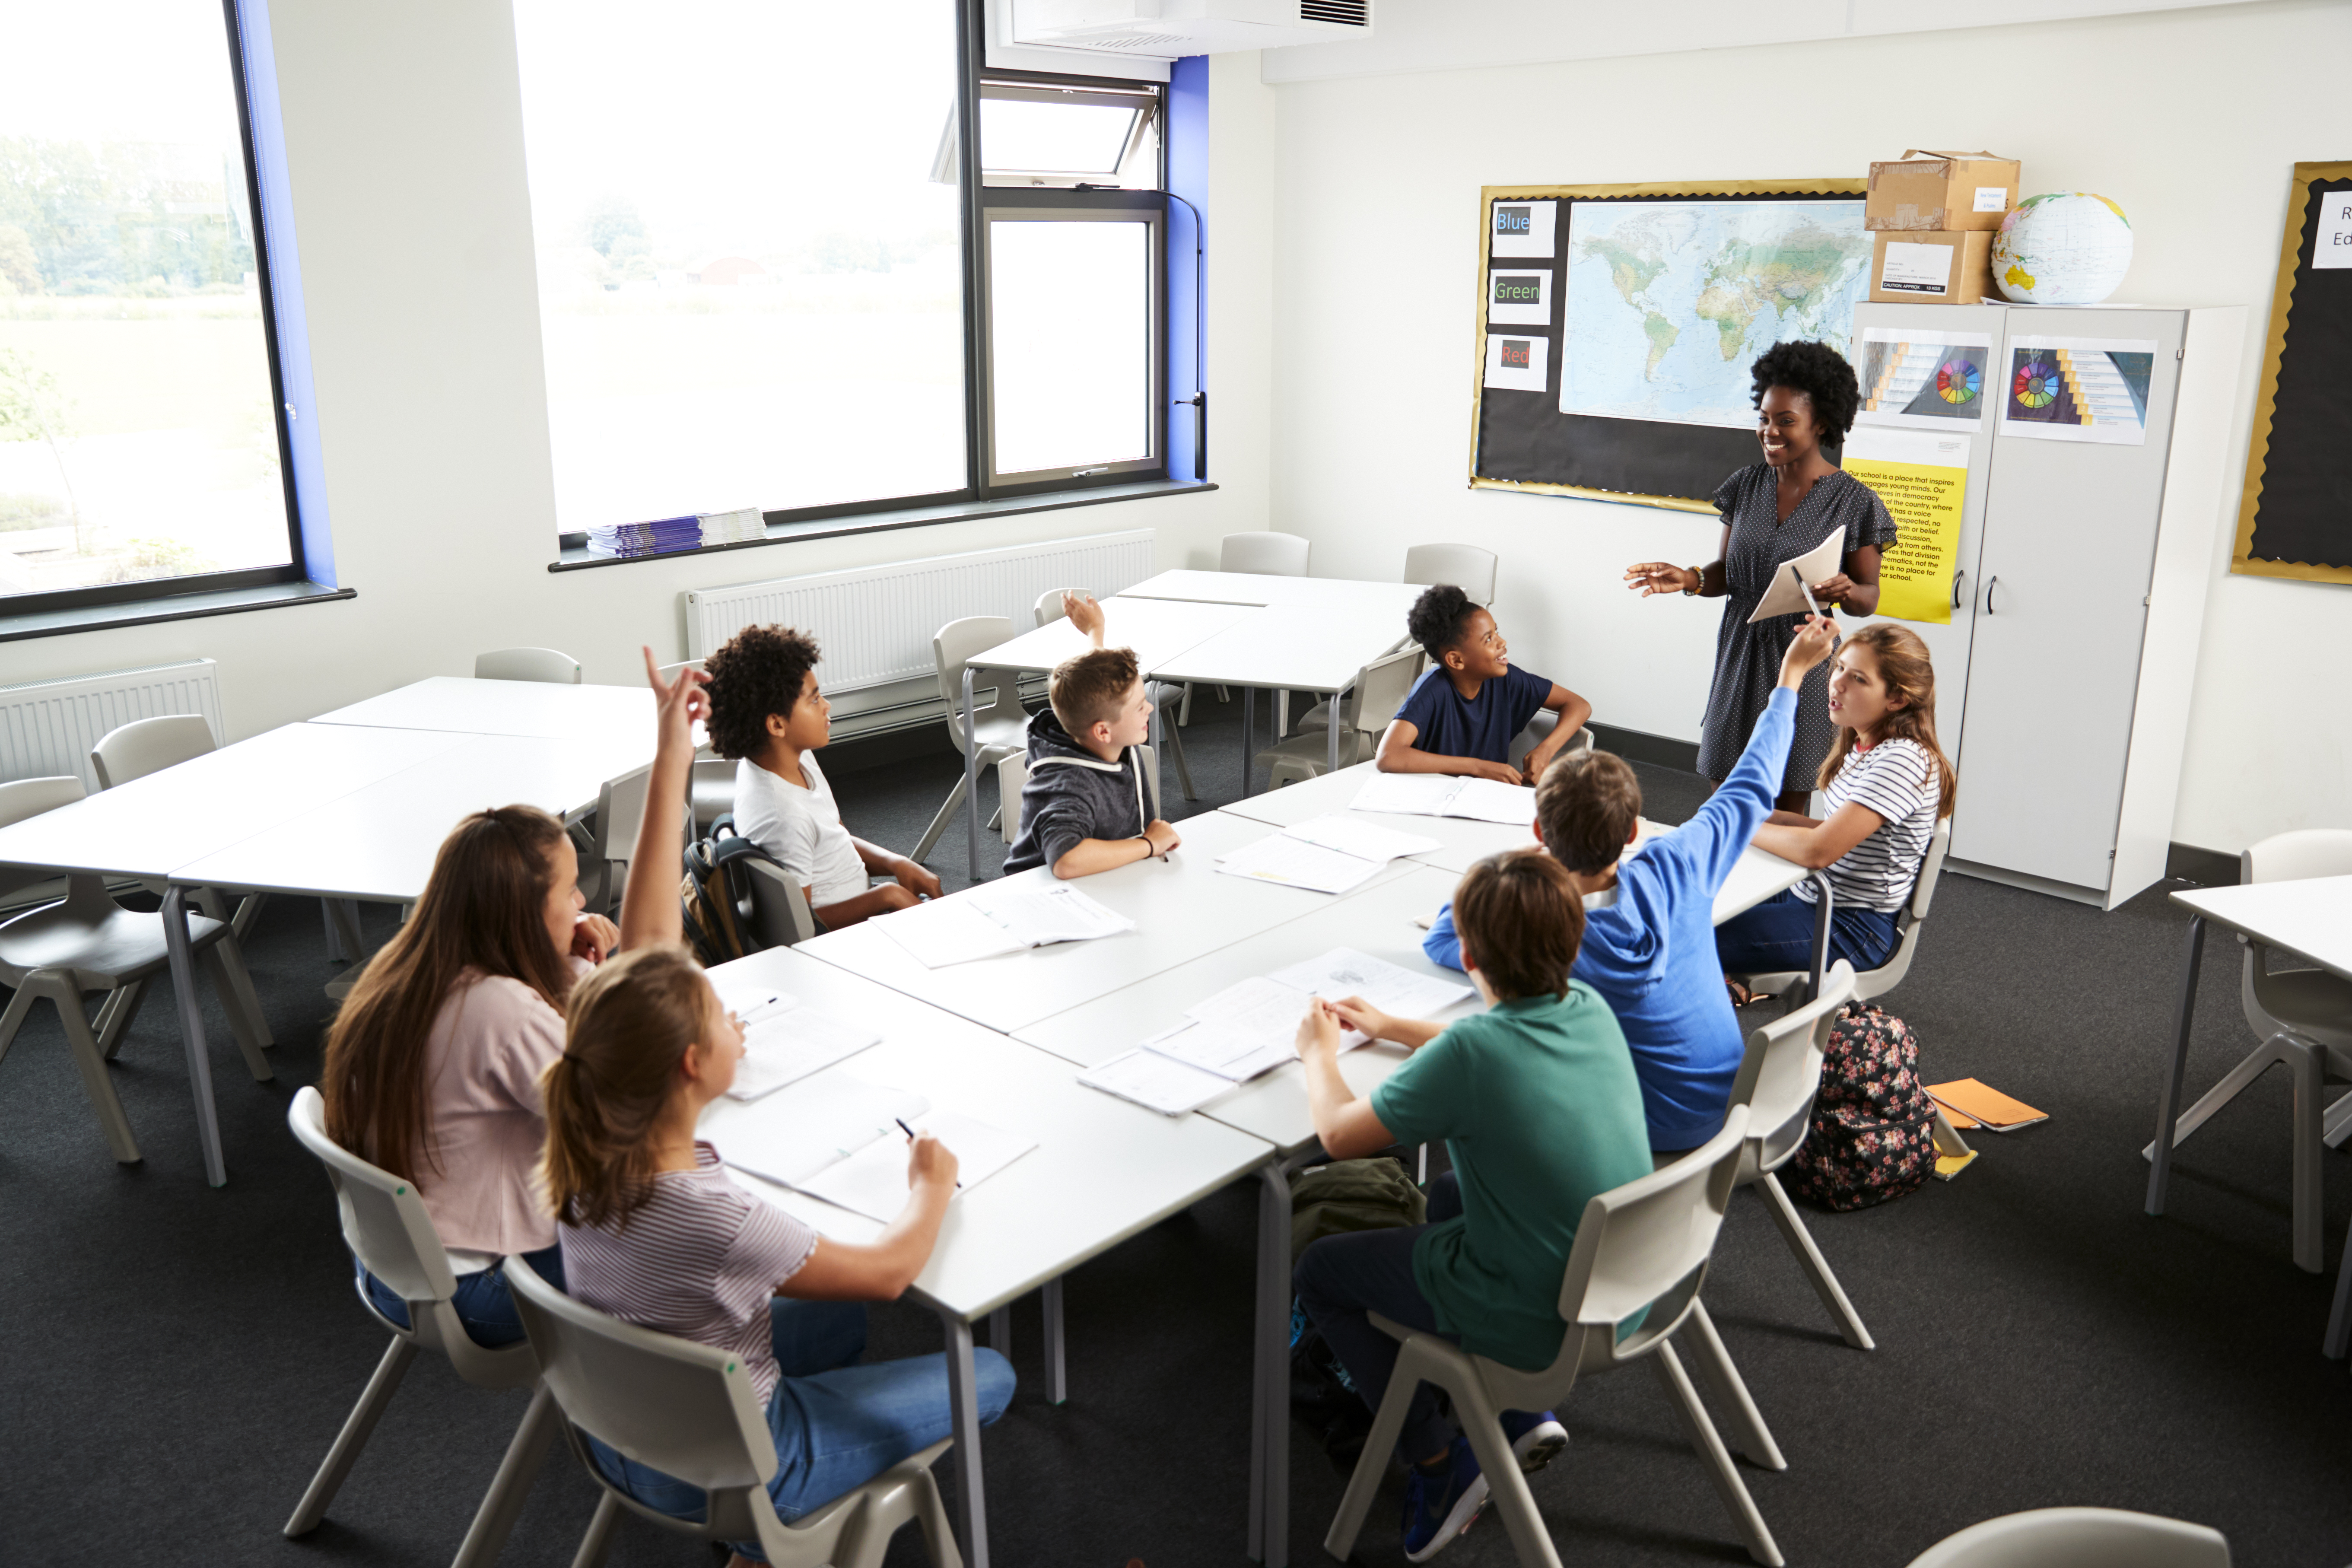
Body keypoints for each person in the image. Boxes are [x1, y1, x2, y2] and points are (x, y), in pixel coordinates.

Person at [544, 944, 1014, 1562]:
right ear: (691, 1063)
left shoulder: (584, 1157)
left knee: (838, 1317)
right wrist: (929, 1186)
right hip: (742, 1471)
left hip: (618, 1433)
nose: (734, 1022)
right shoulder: (718, 1216)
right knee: (990, 1374)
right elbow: (890, 1273)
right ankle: (772, 1538)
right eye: (719, 1015)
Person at [318, 649, 706, 1346]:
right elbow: (631, 1118)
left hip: (393, 1263)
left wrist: (568, 965)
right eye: (568, 890)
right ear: (521, 913)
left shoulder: (412, 965)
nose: (585, 900)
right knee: (692, 1238)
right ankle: (666, 1409)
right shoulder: (501, 1009)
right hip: (475, 1290)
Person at [1291, 850, 1653, 1561]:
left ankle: (1435, 1456)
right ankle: (1517, 1411)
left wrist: (1317, 1053)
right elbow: (1485, 1045)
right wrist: (1394, 1025)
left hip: (1547, 1321)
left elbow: (1337, 1134)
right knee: (1451, 1192)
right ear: (1572, 941)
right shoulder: (1588, 1006)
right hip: (1628, 1280)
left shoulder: (1474, 1056)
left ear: (1464, 952)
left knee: (1320, 1271)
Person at [1422, 615, 1838, 1153]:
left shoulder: (1544, 933)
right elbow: (1751, 785)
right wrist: (1789, 677)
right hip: (1736, 1105)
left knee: (1503, 1076)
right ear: (1633, 832)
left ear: (1537, 831)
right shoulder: (1679, 862)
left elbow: (1440, 942)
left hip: (1649, 1132)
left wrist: (1503, 872)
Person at [1624, 340, 1898, 811]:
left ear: (1822, 423)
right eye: (1764, 419)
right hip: (1739, 648)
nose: (1769, 431)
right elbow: (1727, 575)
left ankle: (1779, 888)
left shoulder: (1854, 501)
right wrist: (1689, 578)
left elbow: (1867, 598)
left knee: (1789, 798)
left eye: (1785, 421)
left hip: (1805, 652)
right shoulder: (1744, 485)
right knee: (1724, 789)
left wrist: (1847, 589)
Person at [1715, 623, 1956, 990]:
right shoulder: (1864, 744)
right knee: (1694, 899)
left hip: (1851, 925)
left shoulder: (1903, 760)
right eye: (1839, 667)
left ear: (1897, 699)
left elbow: (1819, 851)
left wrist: (1739, 825)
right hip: (1814, 892)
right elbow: (1835, 831)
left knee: (1691, 936)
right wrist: (1768, 816)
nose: (1837, 683)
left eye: (1858, 678)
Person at [704, 623, 941, 929]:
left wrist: (895, 863)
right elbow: (796, 925)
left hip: (866, 908)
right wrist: (886, 898)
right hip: (843, 939)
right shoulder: (783, 815)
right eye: (814, 700)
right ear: (777, 725)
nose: (827, 706)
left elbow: (834, 837)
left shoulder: (794, 757)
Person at [1001, 592, 1182, 877]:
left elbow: (1097, 679)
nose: (1149, 707)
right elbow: (1066, 860)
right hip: (1052, 894)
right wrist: (1149, 844)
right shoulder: (1070, 784)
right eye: (1139, 707)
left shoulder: (1092, 725)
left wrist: (1095, 631)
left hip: (1103, 876)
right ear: (1103, 731)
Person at [1377, 585, 1590, 786]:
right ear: (1457, 661)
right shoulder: (1433, 689)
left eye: (1496, 632)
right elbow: (1388, 756)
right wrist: (1477, 768)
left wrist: (1546, 750)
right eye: (1488, 639)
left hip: (1484, 799)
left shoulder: (1506, 679)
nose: (1502, 642)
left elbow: (1579, 705)